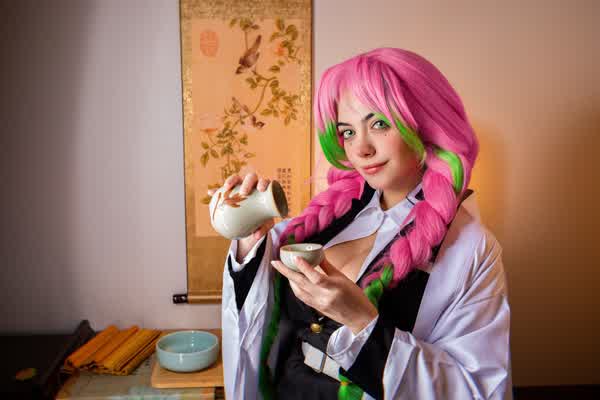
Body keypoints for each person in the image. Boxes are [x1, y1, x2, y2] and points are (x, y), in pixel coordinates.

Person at [212, 48, 512, 399]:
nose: (361, 149)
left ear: (425, 125)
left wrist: (364, 323)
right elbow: (260, 319)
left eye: (379, 124)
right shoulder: (332, 215)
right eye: (348, 132)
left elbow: (476, 388)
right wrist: (251, 241)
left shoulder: (472, 249)